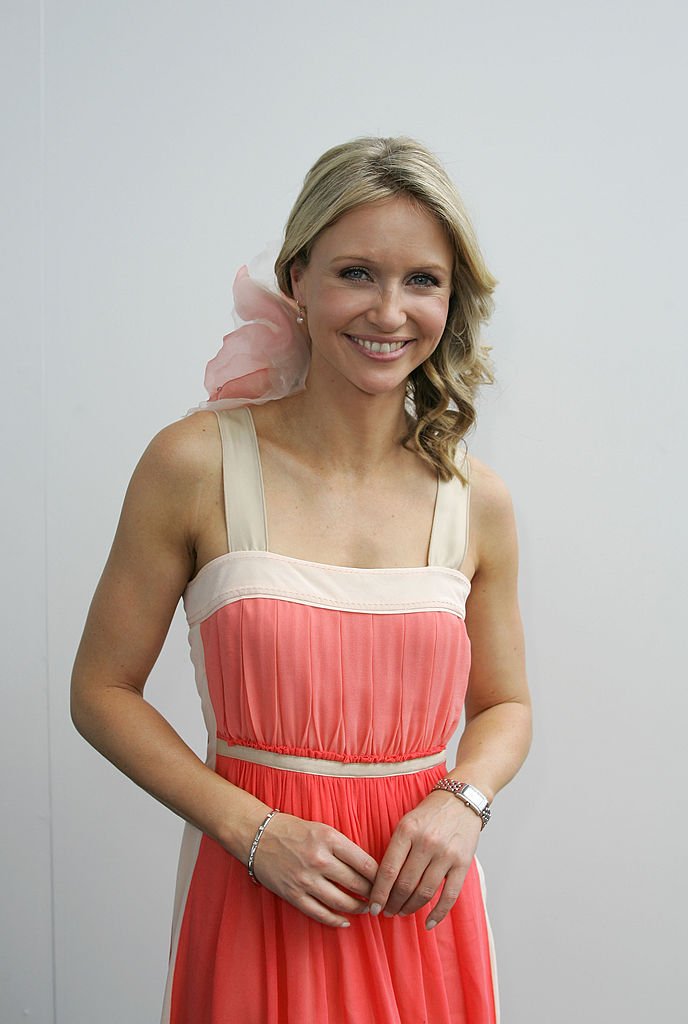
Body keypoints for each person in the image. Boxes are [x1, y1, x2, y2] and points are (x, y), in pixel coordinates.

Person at [71, 135, 531, 1024]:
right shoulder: (194, 461)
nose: (389, 312)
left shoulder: (478, 501)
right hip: (259, 886)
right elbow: (100, 690)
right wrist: (254, 832)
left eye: (423, 280)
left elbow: (507, 706)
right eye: (356, 272)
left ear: (452, 297)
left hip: (419, 903)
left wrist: (462, 802)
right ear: (297, 279)